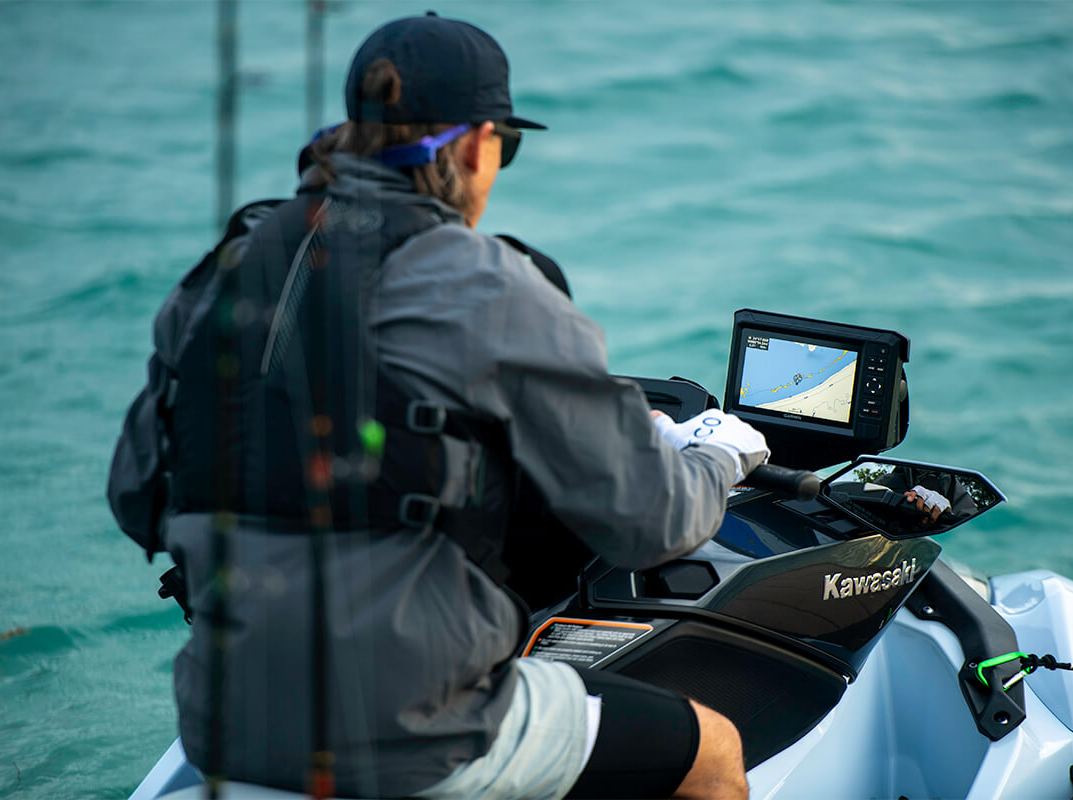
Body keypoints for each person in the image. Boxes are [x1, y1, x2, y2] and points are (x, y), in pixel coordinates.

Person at [107, 13, 768, 800]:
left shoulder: (226, 268)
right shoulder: (484, 282)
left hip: (222, 720)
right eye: (504, 147)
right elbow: (651, 522)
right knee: (715, 753)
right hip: (413, 734)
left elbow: (135, 498)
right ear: (476, 145)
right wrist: (719, 453)